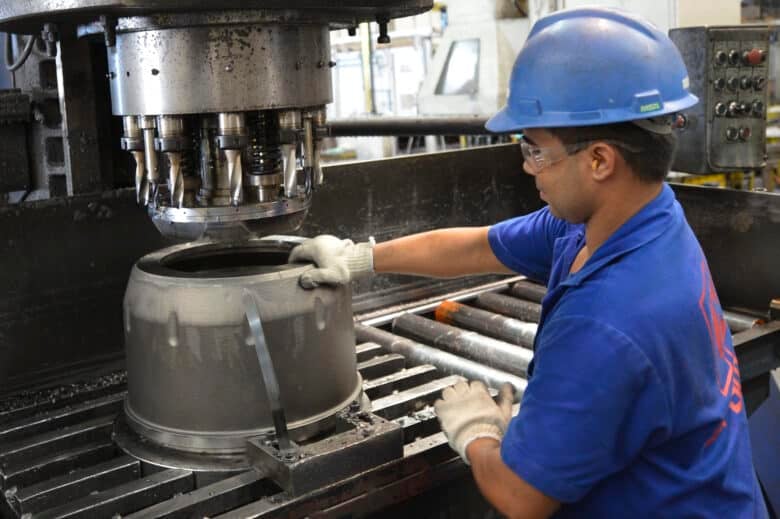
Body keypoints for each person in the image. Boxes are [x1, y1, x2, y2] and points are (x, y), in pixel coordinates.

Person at [289, 7, 768, 518]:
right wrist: (359, 258)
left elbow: (522, 498)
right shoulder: (631, 220)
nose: (525, 165)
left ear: (600, 159)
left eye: (536, 150)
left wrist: (477, 435)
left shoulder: (608, 320)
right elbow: (478, 246)